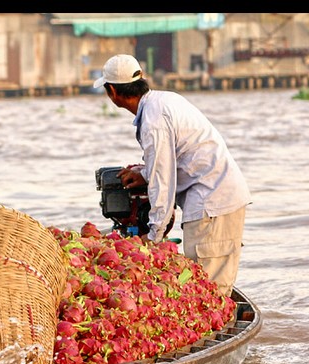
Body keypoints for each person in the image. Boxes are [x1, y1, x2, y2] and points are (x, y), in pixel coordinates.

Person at [93, 54, 251, 296]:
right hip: (217, 196)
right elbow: (171, 160)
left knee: (210, 294)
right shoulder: (163, 101)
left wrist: (153, 236)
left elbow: (163, 183)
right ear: (141, 79)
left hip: (212, 203)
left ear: (112, 91)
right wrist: (144, 173)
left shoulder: (154, 120)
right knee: (207, 287)